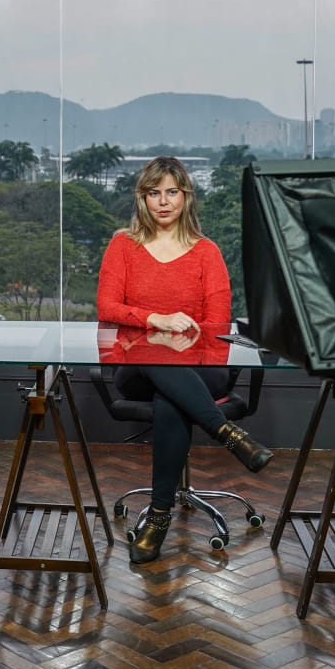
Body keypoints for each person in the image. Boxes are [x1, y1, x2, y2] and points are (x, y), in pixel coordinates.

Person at [97, 155, 272, 563]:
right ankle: (227, 434)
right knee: (154, 355)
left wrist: (182, 343)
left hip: (201, 371)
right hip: (136, 368)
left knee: (170, 399)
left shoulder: (206, 252)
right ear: (142, 198)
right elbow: (107, 307)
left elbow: (216, 324)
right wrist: (154, 319)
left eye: (171, 192)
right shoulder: (123, 244)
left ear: (185, 197)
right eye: (154, 193)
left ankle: (158, 519)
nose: (163, 201)